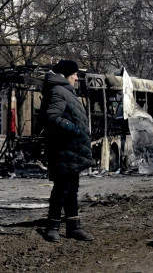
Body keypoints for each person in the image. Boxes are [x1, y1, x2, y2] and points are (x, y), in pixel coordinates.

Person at [41, 59, 96, 242]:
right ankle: (52, 227)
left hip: (70, 149)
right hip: (62, 148)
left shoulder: (65, 91)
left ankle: (74, 227)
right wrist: (74, 129)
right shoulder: (58, 91)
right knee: (62, 188)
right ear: (65, 75)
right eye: (74, 75)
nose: (76, 78)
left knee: (71, 188)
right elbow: (52, 116)